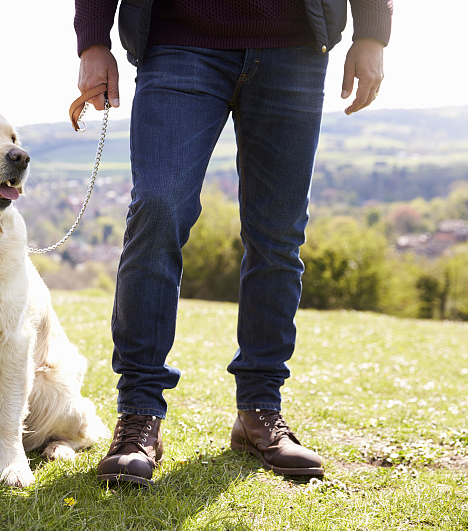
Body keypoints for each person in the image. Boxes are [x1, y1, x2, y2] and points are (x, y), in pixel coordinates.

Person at [74, 0, 392, 487]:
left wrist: (372, 34)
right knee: (158, 210)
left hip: (295, 45)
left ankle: (259, 411)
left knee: (277, 236)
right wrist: (94, 41)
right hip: (178, 40)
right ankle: (139, 415)